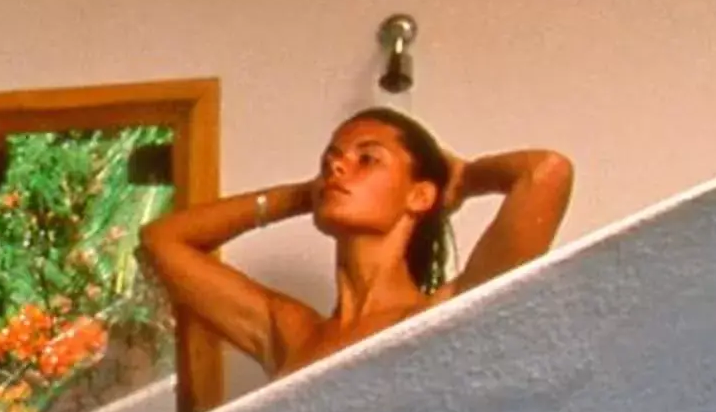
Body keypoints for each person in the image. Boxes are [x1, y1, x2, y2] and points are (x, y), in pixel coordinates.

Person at [140, 109, 574, 377]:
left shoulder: (447, 312)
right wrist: (302, 195)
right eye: (330, 160)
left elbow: (547, 172)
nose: (337, 169)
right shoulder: (293, 334)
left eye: (367, 159)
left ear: (419, 195)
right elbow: (162, 240)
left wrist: (464, 178)